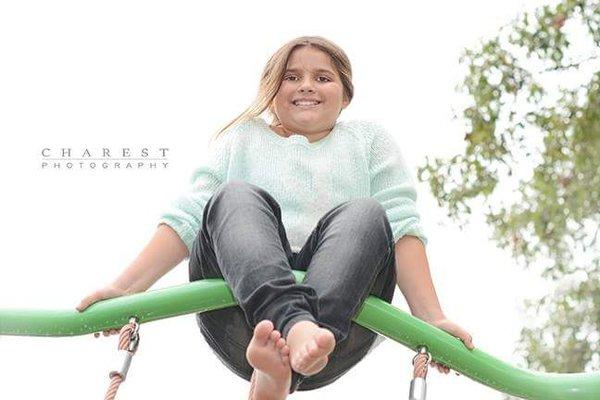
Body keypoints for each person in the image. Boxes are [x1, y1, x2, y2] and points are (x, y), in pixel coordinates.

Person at [76, 35, 475, 399]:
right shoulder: (243, 138)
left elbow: (403, 227)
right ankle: (288, 334)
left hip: (333, 331)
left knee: (367, 214)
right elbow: (188, 216)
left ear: (346, 95)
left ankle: (278, 374)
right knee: (232, 196)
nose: (306, 86)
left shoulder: (368, 141)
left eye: (323, 78)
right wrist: (126, 287)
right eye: (292, 77)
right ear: (271, 91)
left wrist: (431, 318)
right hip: (242, 322)